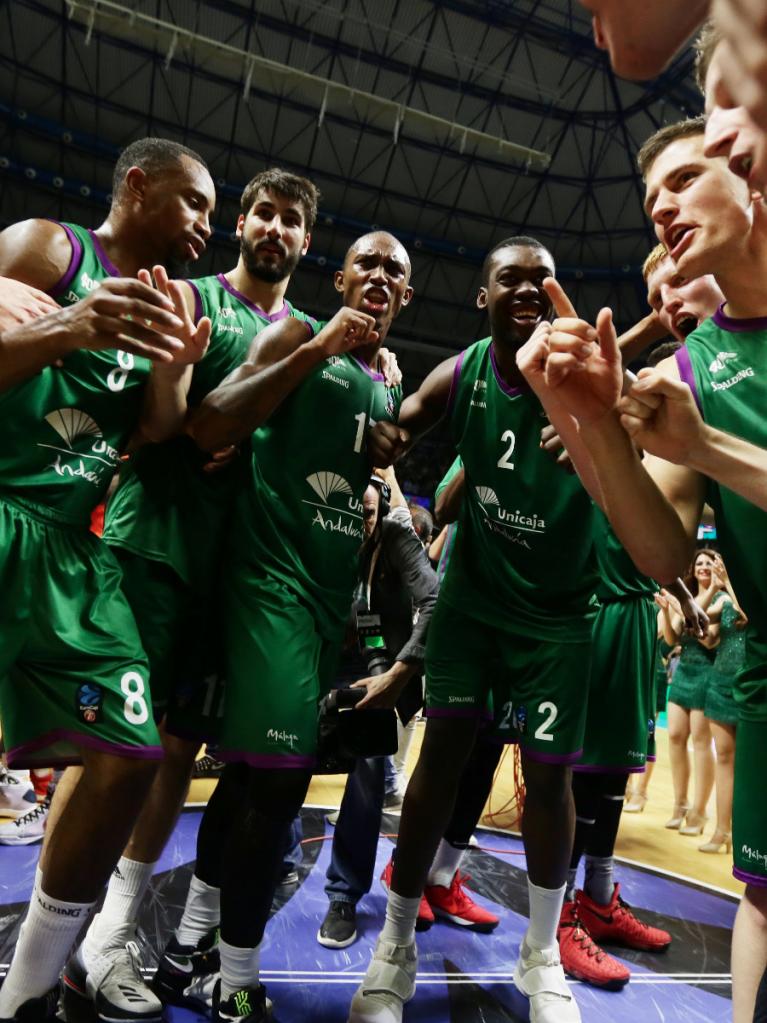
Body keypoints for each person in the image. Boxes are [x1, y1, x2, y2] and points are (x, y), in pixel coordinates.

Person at [515, 116, 767, 1023]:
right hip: (763, 661)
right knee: (763, 897)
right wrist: (576, 412)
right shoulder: (693, 367)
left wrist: (703, 445)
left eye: (683, 176)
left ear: (748, 168)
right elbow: (658, 552)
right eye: (648, 191)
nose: (660, 202)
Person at [61, 167, 320, 1020]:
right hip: (157, 544)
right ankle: (75, 939)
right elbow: (168, 422)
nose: (275, 228)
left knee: (175, 756)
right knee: (111, 749)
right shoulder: (189, 297)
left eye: (292, 220)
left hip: (235, 579)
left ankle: (111, 931)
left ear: (306, 241)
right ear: (243, 223)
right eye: (263, 213)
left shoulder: (313, 334)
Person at [348, 236, 604, 1023]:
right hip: (473, 602)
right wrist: (377, 431)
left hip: (560, 613)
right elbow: (392, 427)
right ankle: (393, 947)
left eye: (541, 278)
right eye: (509, 279)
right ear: (480, 296)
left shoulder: (583, 368)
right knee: (440, 762)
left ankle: (539, 955)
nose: (526, 288)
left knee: (549, 781)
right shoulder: (463, 371)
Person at [167, 231, 412, 1020]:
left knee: (246, 779)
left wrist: (379, 480)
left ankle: (187, 944)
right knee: (278, 783)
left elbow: (358, 479)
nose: (378, 277)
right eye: (366, 264)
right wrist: (316, 350)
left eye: (395, 273)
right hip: (263, 586)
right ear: (338, 276)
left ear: (405, 297)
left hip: (325, 606)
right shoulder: (296, 331)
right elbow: (212, 423)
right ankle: (235, 982)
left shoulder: (383, 379)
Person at [0, 136, 215, 1018]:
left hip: (71, 547)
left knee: (129, 753)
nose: (208, 222)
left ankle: (28, 991)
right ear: (136, 185)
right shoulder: (48, 247)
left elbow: (161, 429)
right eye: (194, 201)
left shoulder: (171, 303)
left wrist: (174, 368)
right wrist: (69, 324)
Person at [319, 469, 441, 949]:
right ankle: (275, 862)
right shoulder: (318, 523)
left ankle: (343, 895)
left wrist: (398, 673)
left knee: (370, 774)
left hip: (377, 667)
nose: (358, 522)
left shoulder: (393, 534)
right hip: (312, 654)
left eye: (367, 513)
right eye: (349, 513)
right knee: (276, 764)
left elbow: (435, 600)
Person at [656, 552, 720, 834]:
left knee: (702, 743)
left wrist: (684, 607)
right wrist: (668, 612)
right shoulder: (686, 598)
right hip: (683, 673)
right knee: (675, 736)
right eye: (700, 563)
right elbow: (672, 639)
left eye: (709, 563)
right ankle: (679, 804)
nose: (704, 567)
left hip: (707, 672)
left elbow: (707, 639)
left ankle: (700, 811)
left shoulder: (721, 599)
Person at [699, 552, 746, 854]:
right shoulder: (723, 599)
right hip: (720, 683)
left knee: (748, 765)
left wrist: (728, 583)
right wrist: (713, 588)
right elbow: (691, 619)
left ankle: (747, 837)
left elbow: (753, 615)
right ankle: (721, 832)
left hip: (750, 688)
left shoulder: (746, 595)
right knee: (724, 760)